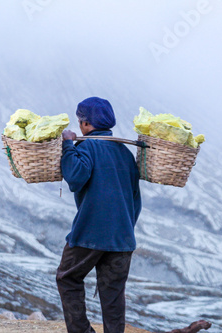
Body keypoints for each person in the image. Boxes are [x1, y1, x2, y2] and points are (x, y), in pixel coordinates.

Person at [57, 97, 142, 333]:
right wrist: (125, 228)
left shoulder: (86, 147)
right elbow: (135, 200)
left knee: (68, 278)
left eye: (79, 120)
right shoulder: (125, 153)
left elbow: (75, 177)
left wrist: (67, 145)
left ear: (85, 124)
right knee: (113, 293)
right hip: (123, 237)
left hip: (90, 234)